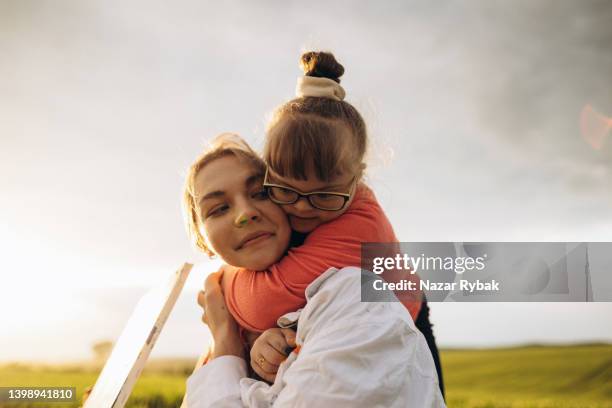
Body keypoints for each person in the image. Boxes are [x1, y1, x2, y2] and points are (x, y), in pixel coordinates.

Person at [210, 51, 444, 396]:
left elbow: (262, 304)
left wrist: (220, 279)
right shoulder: (289, 203)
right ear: (269, 171)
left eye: (324, 196)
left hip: (403, 329)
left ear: (357, 178)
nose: (303, 208)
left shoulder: (362, 228)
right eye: (286, 191)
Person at [182, 134, 445, 407]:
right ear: (202, 240)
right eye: (218, 209)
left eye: (261, 192)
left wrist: (228, 337)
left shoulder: (348, 283)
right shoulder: (223, 320)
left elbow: (265, 303)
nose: (245, 213)